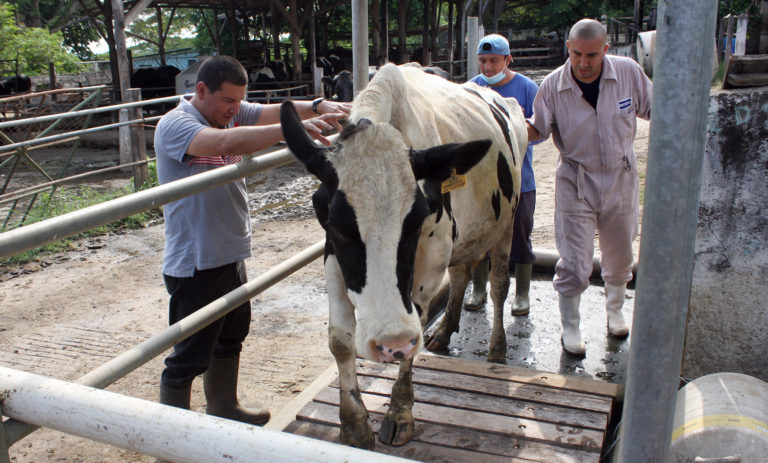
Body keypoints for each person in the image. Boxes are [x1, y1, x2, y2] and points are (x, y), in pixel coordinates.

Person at [154, 55, 351, 424]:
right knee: (189, 355)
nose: (235, 109)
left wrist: (316, 106)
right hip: (196, 261)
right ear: (200, 91)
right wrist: (292, 129)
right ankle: (171, 434)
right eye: (228, 101)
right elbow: (222, 142)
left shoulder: (226, 110)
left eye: (238, 102)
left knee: (230, 337)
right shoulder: (176, 125)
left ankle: (223, 408)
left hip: (229, 252)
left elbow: (264, 110)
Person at [526, 19, 652, 355]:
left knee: (621, 253)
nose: (583, 62)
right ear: (568, 48)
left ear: (605, 50)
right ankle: (571, 327)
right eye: (577, 54)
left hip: (621, 177)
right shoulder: (553, 85)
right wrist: (507, 128)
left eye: (592, 55)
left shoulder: (628, 73)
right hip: (575, 180)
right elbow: (537, 129)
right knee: (574, 260)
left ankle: (615, 312)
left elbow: (657, 109)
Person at [463, 34, 541, 317]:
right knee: (479, 234)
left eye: (494, 61)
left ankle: (521, 294)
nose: (487, 67)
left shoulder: (527, 88)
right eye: (482, 61)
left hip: (520, 179)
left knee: (520, 233)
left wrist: (516, 129)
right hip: (481, 182)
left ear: (508, 59)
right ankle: (479, 288)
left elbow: (541, 130)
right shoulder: (469, 90)